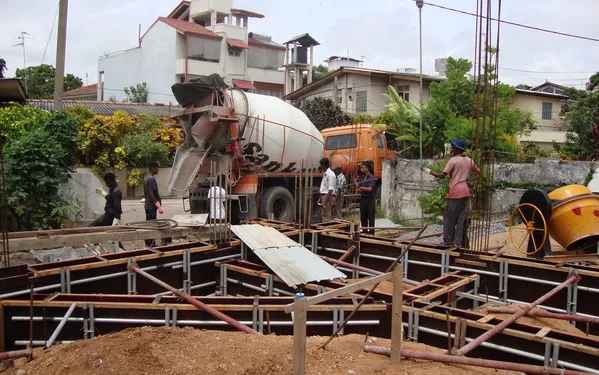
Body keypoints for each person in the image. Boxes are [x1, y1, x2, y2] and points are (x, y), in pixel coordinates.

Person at [430, 139, 480, 248]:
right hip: (466, 192)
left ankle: (448, 242)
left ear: (457, 149)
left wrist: (431, 172)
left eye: (453, 147)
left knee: (449, 218)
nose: (451, 149)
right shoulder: (469, 160)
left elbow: (442, 175)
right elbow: (478, 172)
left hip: (455, 192)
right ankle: (458, 243)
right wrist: (471, 183)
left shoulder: (453, 160)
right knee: (461, 220)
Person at [144, 162, 164, 246]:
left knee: (150, 225)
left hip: (149, 206)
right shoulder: (151, 179)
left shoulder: (147, 178)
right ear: (152, 168)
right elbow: (151, 194)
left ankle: (150, 244)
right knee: (152, 225)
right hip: (151, 206)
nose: (158, 170)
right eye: (157, 168)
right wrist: (159, 206)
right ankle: (151, 244)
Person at [357, 162, 377, 234]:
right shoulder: (363, 177)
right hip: (363, 199)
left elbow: (370, 189)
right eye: (361, 167)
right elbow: (359, 187)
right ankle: (364, 231)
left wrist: (361, 188)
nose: (361, 169)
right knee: (363, 216)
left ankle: (371, 233)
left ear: (367, 168)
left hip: (370, 200)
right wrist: (358, 187)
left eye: (363, 167)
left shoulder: (372, 178)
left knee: (370, 217)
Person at [319, 158, 336, 222]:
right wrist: (321, 197)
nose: (320, 167)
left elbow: (330, 189)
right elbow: (324, 187)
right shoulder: (326, 173)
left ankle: (327, 230)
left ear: (324, 165)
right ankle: (324, 230)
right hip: (325, 196)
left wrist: (325, 200)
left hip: (328, 197)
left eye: (321, 165)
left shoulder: (330, 174)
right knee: (324, 215)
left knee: (327, 215)